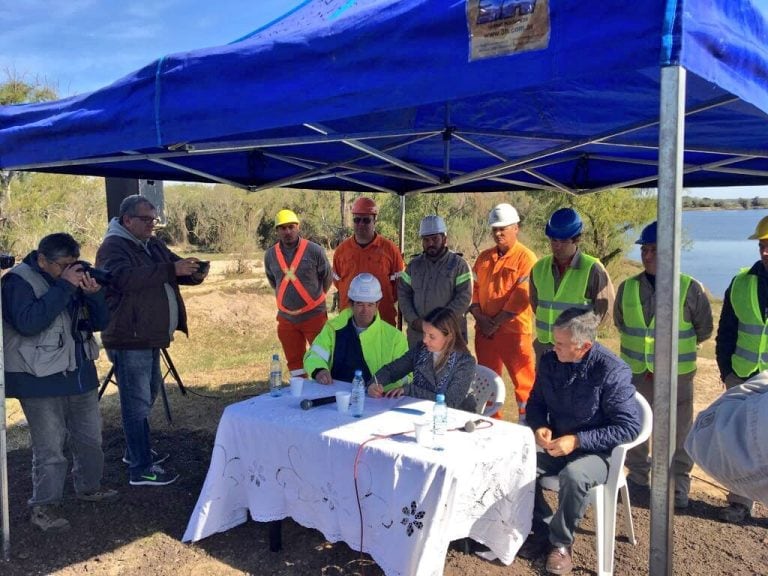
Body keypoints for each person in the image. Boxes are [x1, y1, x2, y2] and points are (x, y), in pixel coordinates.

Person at [2, 233, 118, 532]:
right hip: (38, 379)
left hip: (79, 374)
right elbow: (28, 323)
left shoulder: (69, 278)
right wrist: (65, 286)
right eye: (62, 265)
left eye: (74, 263)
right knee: (50, 447)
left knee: (91, 439)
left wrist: (93, 296)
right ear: (42, 259)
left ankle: (89, 487)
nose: (70, 269)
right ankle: (44, 508)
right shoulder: (17, 282)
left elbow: (99, 324)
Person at [95, 195, 208, 487]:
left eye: (154, 219)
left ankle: (136, 452)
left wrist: (193, 272)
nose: (152, 225)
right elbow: (121, 279)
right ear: (127, 220)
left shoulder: (151, 243)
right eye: (146, 220)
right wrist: (172, 270)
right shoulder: (113, 247)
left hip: (149, 337)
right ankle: (140, 468)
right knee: (136, 404)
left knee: (148, 395)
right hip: (128, 337)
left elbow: (172, 266)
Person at [522, 308, 640, 575]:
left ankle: (561, 543)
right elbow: (536, 402)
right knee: (516, 463)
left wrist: (577, 441)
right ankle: (542, 528)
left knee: (574, 476)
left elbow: (629, 427)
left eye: (561, 344)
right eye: (554, 341)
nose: (554, 348)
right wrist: (540, 425)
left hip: (599, 453)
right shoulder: (550, 361)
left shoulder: (611, 370)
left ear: (584, 346)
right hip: (557, 444)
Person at [614, 221, 713, 509]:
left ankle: (677, 486)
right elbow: (622, 323)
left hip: (676, 377)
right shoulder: (628, 288)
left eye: (654, 249)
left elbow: (704, 329)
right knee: (635, 426)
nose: (647, 255)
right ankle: (637, 479)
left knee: (680, 433)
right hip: (636, 373)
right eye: (644, 249)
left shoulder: (690, 289)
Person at [713, 213, 768, 522]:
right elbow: (727, 333)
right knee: (740, 444)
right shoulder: (742, 282)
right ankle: (739, 502)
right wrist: (726, 373)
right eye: (762, 245)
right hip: (743, 376)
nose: (765, 251)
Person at [469, 203, 537, 419]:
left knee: (523, 382)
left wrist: (495, 322)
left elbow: (522, 297)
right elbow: (473, 289)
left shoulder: (526, 259)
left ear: (515, 228)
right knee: (488, 380)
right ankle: (490, 422)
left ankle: (528, 423)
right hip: (485, 333)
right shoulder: (483, 258)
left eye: (503, 228)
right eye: (494, 229)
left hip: (514, 333)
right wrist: (480, 317)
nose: (498, 233)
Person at [530, 207, 615, 364]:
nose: (557, 246)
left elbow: (605, 313)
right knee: (545, 389)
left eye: (563, 241)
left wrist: (578, 338)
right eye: (553, 240)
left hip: (577, 350)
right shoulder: (539, 268)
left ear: (577, 239)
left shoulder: (593, 269)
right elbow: (536, 305)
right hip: (545, 349)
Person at [368, 306, 478, 412]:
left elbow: (450, 402)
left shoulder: (465, 363)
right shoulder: (421, 349)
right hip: (419, 412)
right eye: (424, 333)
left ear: (449, 337)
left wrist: (410, 391)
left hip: (454, 420)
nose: (425, 340)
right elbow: (392, 370)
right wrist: (374, 383)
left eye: (432, 336)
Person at [304, 273, 408, 384]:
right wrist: (319, 370)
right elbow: (314, 355)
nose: (365, 310)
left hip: (379, 399)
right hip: (337, 395)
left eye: (370, 305)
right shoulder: (332, 330)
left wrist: (383, 387)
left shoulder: (395, 338)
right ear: (351, 304)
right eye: (360, 304)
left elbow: (406, 375)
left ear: (377, 305)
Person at [264, 209, 332, 378]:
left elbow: (327, 277)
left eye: (291, 227)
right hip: (287, 319)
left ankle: (324, 393)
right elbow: (274, 281)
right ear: (277, 231)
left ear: (298, 227)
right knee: (295, 363)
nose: (287, 231)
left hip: (314, 316)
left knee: (322, 358)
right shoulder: (270, 255)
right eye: (283, 228)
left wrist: (313, 300)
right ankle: (300, 392)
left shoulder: (315, 251)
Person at [685, 371, 768, 507]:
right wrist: (728, 371)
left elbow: (704, 435)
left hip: (748, 390)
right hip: (739, 373)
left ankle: (741, 504)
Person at [398, 215, 472, 348]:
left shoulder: (459, 265)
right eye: (426, 240)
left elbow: (464, 297)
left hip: (449, 337)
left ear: (444, 239)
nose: (430, 243)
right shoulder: (413, 266)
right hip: (419, 338)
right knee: (420, 369)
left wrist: (439, 323)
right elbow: (403, 295)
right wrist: (414, 321)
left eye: (434, 238)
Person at [332, 197, 404, 326]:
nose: (361, 224)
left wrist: (381, 302)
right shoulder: (341, 250)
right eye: (357, 220)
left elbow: (399, 285)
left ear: (374, 221)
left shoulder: (390, 249)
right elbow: (338, 282)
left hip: (382, 320)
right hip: (349, 320)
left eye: (366, 220)